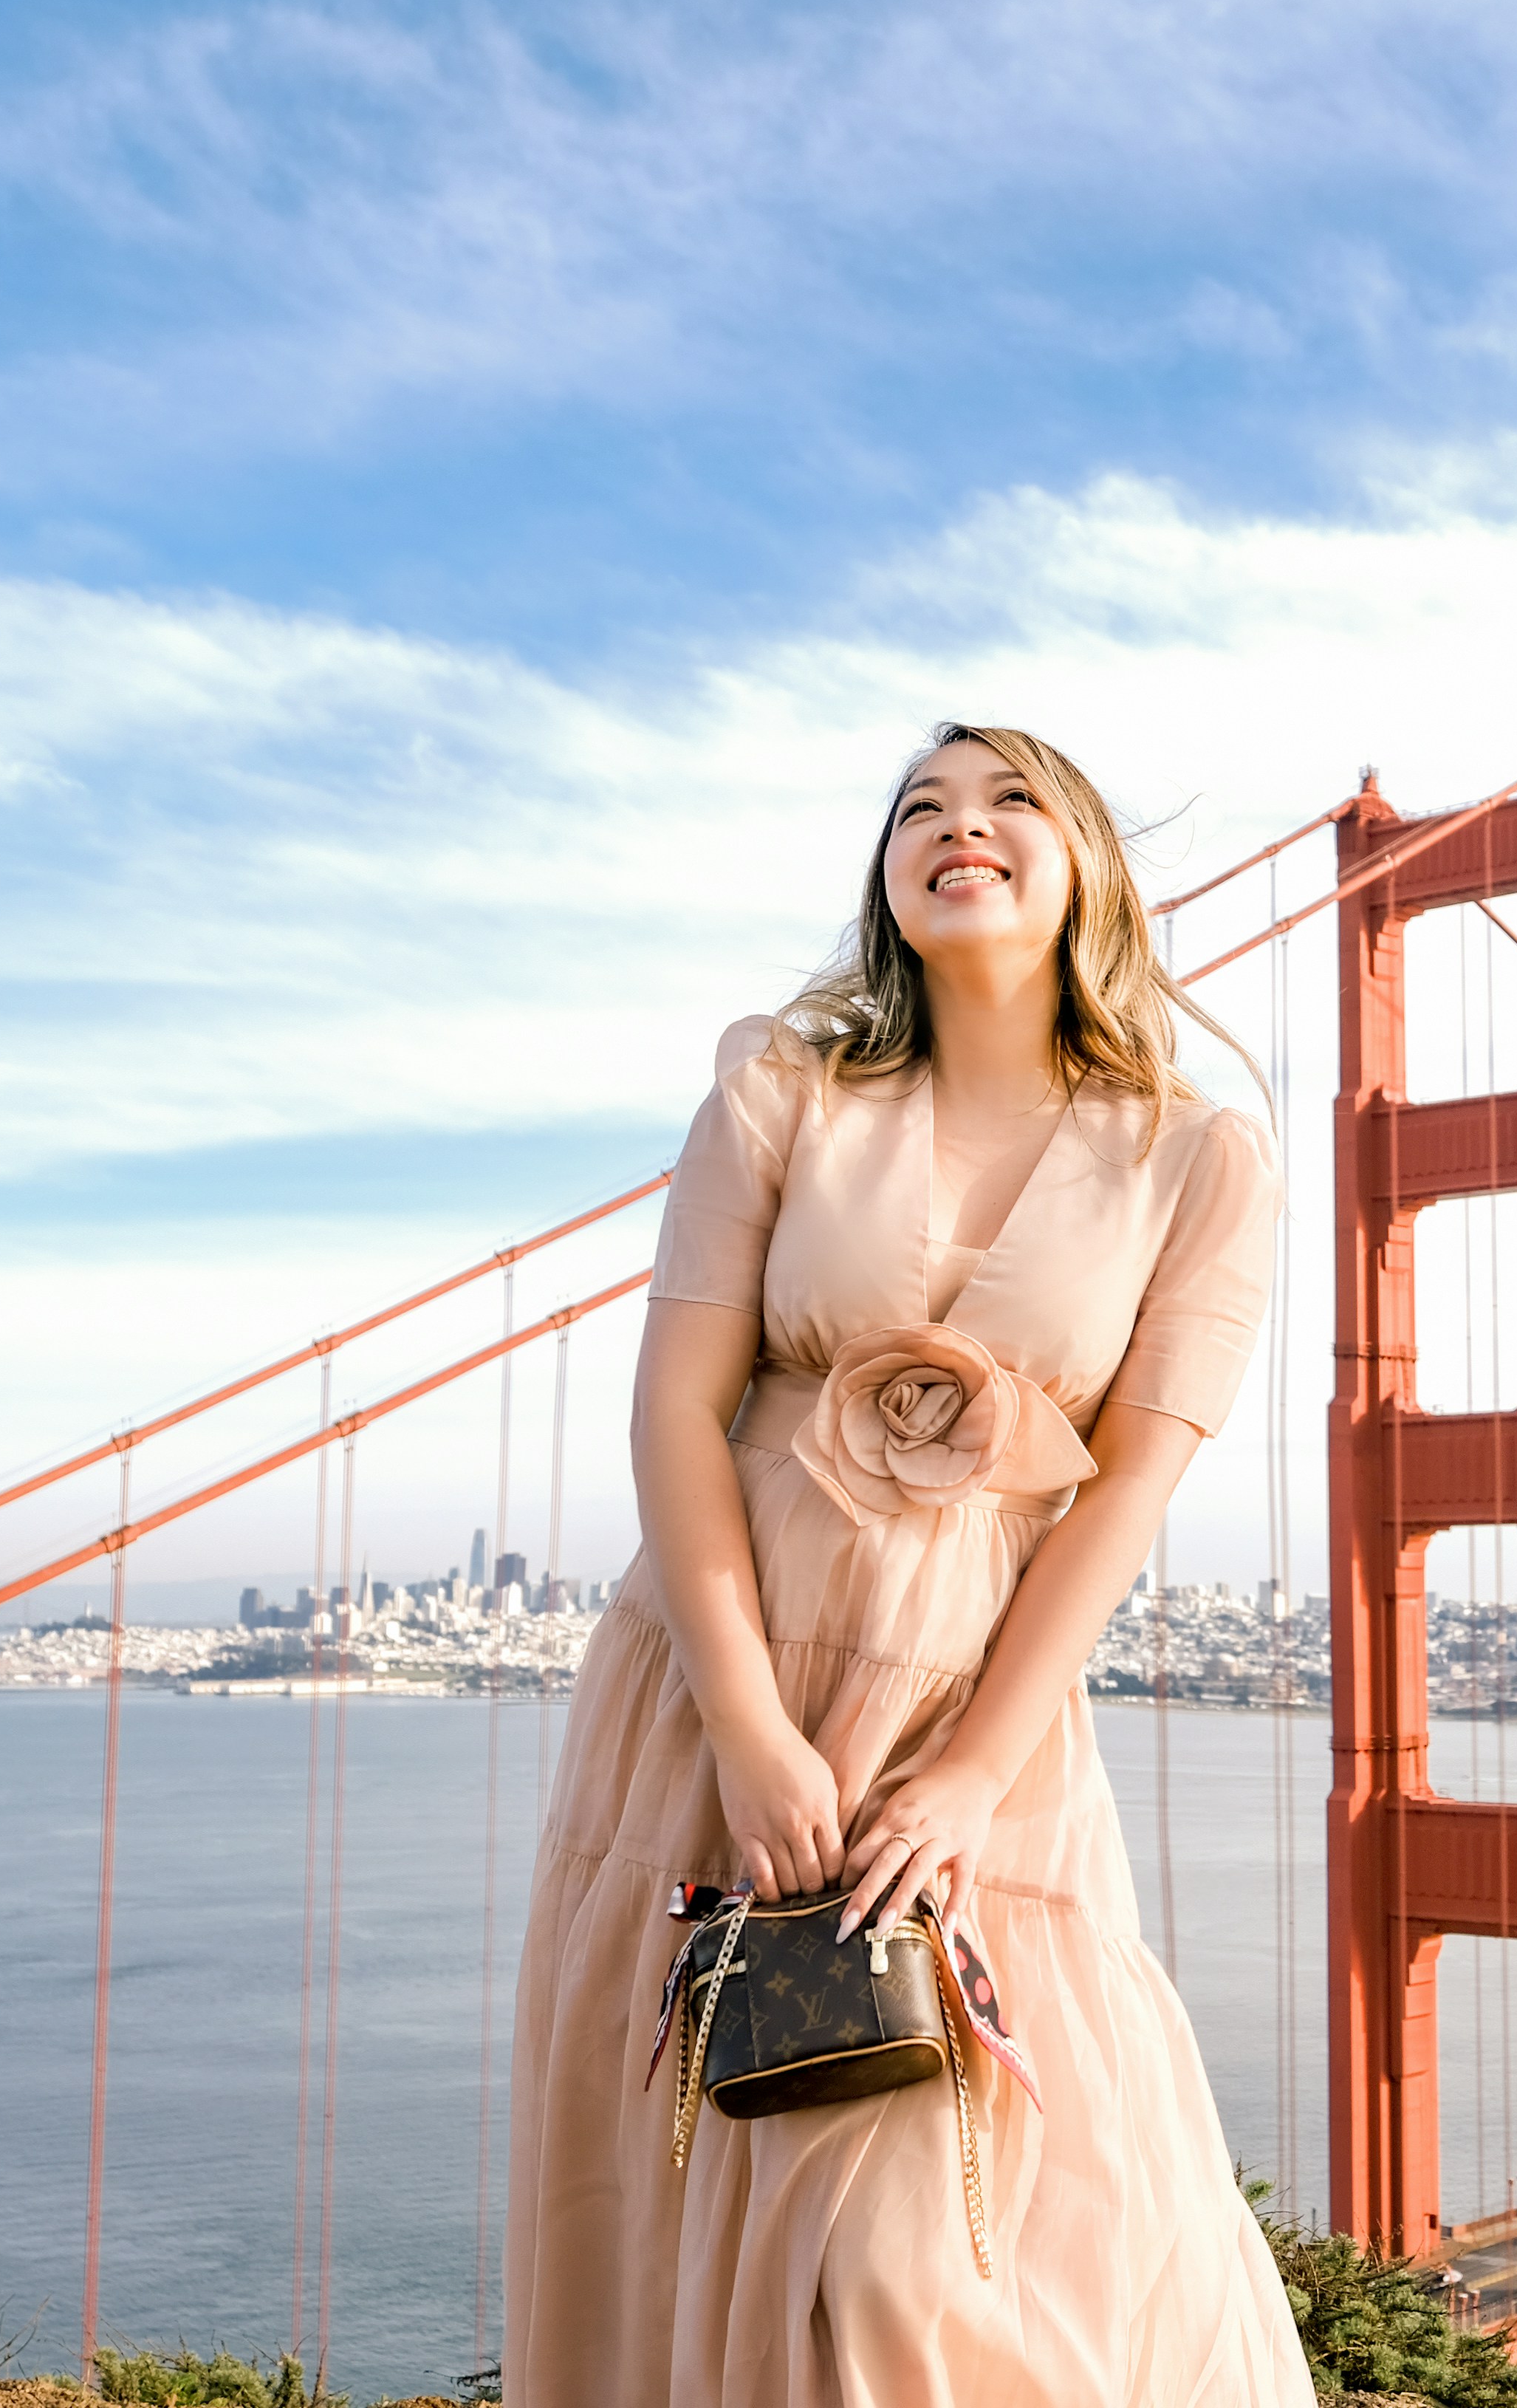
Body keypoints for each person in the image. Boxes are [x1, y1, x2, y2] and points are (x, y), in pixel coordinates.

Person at [505, 725, 1313, 2404]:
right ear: (886, 880)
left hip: (978, 1731)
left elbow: (1124, 1496)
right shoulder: (783, 1087)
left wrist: (965, 1775)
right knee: (688, 2176)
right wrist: (742, 1724)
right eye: (921, 811)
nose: (963, 827)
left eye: (1014, 798)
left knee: (928, 2254)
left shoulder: (1197, 1159)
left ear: (1087, 858)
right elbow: (676, 1402)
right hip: (719, 1679)